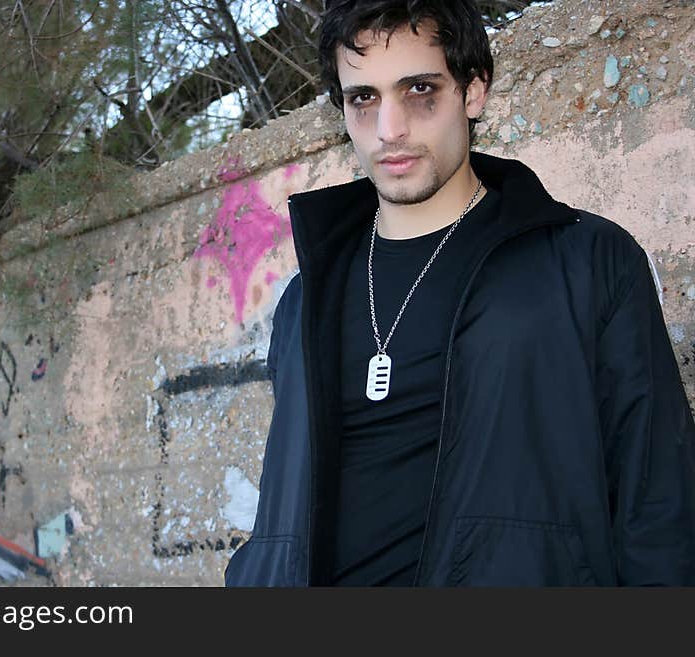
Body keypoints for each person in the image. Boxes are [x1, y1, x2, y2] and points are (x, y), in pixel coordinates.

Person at [224, 0, 695, 586]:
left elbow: (659, 506)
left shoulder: (588, 260)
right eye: (363, 98)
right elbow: (284, 510)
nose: (389, 129)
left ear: (473, 93)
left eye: (419, 89)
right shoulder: (304, 300)